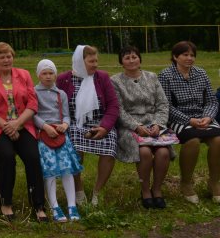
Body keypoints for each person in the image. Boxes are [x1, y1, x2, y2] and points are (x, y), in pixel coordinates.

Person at [0, 42, 47, 221]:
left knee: (33, 156)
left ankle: (38, 205)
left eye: (9, 56)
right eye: (2, 57)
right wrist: (8, 127)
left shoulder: (23, 75)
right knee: (6, 157)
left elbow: (32, 104)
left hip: (23, 125)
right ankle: (6, 202)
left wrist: (17, 124)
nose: (6, 60)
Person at [56, 45, 119, 207]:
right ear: (79, 61)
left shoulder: (102, 77)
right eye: (91, 61)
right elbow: (55, 105)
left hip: (99, 123)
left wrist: (105, 127)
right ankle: (78, 189)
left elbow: (113, 105)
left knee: (110, 142)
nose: (95, 64)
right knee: (74, 142)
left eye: (96, 60)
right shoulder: (64, 79)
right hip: (74, 123)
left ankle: (98, 192)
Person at [110, 45, 172, 209]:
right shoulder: (115, 80)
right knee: (144, 151)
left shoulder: (152, 77)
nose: (131, 60)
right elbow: (119, 109)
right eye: (127, 57)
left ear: (140, 59)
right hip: (130, 126)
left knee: (163, 152)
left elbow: (163, 104)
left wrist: (158, 124)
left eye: (134, 56)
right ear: (121, 62)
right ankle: (145, 190)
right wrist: (136, 126)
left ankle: (157, 189)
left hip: (154, 123)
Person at [158, 40, 220, 204]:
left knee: (218, 140)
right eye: (185, 55)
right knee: (193, 141)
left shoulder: (201, 73)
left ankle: (214, 182)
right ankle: (186, 183)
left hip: (203, 116)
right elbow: (166, 106)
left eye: (192, 55)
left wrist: (208, 117)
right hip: (178, 118)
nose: (190, 58)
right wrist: (189, 120)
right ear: (175, 57)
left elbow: (212, 101)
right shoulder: (165, 75)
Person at [34, 59, 83, 222]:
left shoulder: (60, 94)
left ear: (55, 75)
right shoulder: (33, 92)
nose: (48, 77)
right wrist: (45, 126)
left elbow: (67, 114)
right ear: (38, 75)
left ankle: (71, 205)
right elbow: (32, 114)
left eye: (51, 73)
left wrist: (65, 124)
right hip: (43, 134)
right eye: (44, 73)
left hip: (61, 134)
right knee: (50, 170)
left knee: (67, 169)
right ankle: (54, 205)